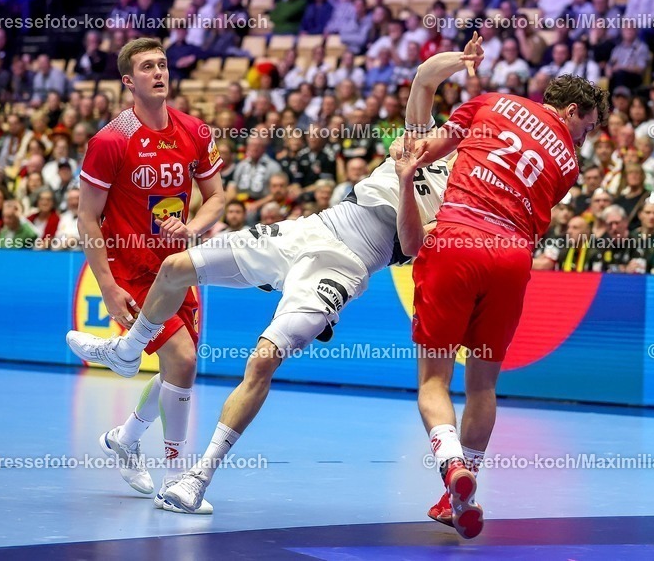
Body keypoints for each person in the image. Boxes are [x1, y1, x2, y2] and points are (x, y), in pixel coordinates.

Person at [63, 38, 485, 516]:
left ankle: (195, 478)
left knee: (261, 362)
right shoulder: (422, 137)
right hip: (313, 228)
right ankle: (127, 351)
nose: (466, 137)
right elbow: (425, 78)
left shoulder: (464, 206)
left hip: (344, 268)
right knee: (177, 267)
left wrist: (406, 180)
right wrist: (463, 61)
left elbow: (410, 245)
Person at [398, 74, 607, 538]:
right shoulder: (568, 163)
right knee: (483, 385)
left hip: (457, 238)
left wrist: (407, 143)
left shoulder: (491, 102)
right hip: (511, 255)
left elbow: (423, 151)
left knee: (433, 380)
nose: (584, 138)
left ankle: (452, 465)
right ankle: (461, 496)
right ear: (571, 111)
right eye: (587, 126)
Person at [65, 38, 226, 512]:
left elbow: (216, 197)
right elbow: (87, 218)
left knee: (181, 365)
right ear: (128, 82)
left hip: (176, 266)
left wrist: (191, 227)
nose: (159, 72)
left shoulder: (194, 131)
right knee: (183, 360)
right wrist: (107, 287)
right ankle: (179, 479)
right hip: (131, 269)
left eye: (163, 64)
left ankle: (124, 436)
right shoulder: (111, 140)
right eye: (147, 67)